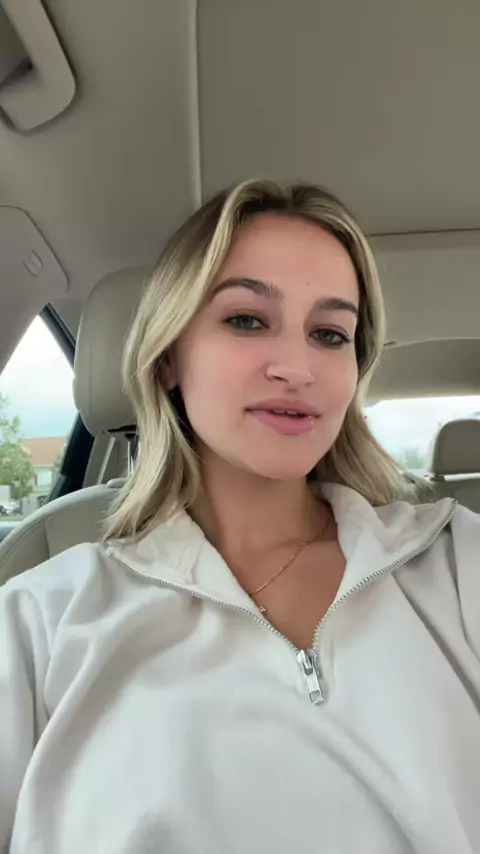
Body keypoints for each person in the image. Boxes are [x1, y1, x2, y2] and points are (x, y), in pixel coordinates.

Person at [1, 178, 479, 854]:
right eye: (247, 320)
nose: (297, 367)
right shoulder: (38, 622)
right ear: (170, 356)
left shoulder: (457, 564)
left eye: (330, 333)